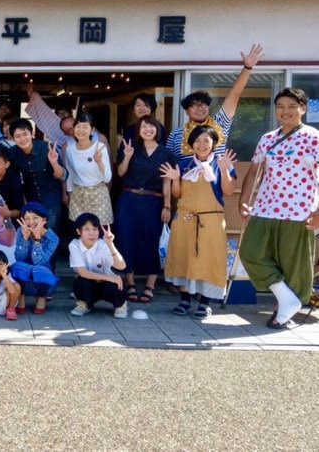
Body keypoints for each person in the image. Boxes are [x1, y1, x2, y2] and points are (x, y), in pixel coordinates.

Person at [238, 88, 319, 329]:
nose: (285, 111)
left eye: (292, 106)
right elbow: (254, 170)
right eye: (281, 106)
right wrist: (244, 200)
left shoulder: (313, 137)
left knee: (293, 263)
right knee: (250, 252)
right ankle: (287, 299)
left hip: (299, 211)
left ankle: (285, 311)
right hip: (265, 207)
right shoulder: (267, 138)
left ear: (303, 108)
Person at [160, 125, 237, 320]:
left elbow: (228, 191)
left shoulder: (221, 163)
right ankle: (184, 300)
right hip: (185, 219)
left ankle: (205, 303)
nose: (201, 145)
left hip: (211, 221)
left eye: (206, 141)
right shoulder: (184, 163)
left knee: (209, 260)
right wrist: (175, 179)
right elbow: (178, 194)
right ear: (191, 143)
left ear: (214, 143)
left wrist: (224, 170)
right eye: (197, 141)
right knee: (184, 258)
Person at [167, 44, 264, 163]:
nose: (200, 108)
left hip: (216, 174)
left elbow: (234, 95)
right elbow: (169, 162)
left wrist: (247, 68)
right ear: (187, 111)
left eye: (203, 104)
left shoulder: (220, 123)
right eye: (194, 105)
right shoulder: (176, 134)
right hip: (186, 175)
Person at [114, 116, 176, 304]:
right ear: (138, 131)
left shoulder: (166, 153)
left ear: (157, 129)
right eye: (143, 126)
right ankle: (130, 282)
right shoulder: (132, 148)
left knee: (152, 240)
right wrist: (127, 156)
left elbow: (167, 182)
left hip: (153, 201)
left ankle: (150, 284)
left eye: (151, 126)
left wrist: (167, 206)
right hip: (129, 199)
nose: (147, 129)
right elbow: (120, 172)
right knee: (126, 240)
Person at [9, 118, 66, 233]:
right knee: (33, 234)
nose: (22, 139)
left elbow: (62, 176)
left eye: (25, 134)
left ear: (32, 133)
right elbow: (15, 179)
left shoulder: (47, 148)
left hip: (51, 198)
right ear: (13, 138)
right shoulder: (13, 152)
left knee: (50, 233)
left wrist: (54, 163)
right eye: (18, 136)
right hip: (31, 200)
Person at [69, 213, 127, 319]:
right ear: (78, 231)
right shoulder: (74, 245)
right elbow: (83, 272)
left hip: (106, 285)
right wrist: (111, 278)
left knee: (115, 285)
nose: (91, 233)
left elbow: (122, 266)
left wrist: (110, 244)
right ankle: (85, 303)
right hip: (89, 282)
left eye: (94, 229)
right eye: (86, 229)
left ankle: (120, 304)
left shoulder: (103, 244)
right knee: (80, 283)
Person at [24, 83, 110, 150]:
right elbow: (46, 117)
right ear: (65, 133)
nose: (74, 129)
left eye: (74, 125)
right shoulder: (66, 145)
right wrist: (33, 98)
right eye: (69, 130)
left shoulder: (98, 137)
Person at [64, 113, 113, 226]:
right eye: (78, 126)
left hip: (98, 194)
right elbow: (70, 174)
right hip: (78, 195)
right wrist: (70, 194)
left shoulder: (99, 147)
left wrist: (99, 162)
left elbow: (107, 178)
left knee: (99, 229)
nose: (81, 130)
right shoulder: (70, 150)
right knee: (80, 229)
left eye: (85, 127)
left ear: (92, 130)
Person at [10, 202, 60, 314]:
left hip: (42, 275)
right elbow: (19, 258)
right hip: (24, 272)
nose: (31, 222)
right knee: (17, 266)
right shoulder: (21, 231)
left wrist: (37, 240)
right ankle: (20, 295)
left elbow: (39, 262)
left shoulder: (53, 238)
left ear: (44, 219)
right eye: (27, 218)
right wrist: (25, 239)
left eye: (35, 218)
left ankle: (42, 296)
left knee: (39, 269)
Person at [117, 94, 167, 160]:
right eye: (138, 105)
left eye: (145, 105)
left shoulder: (159, 128)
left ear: (152, 108)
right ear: (134, 110)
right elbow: (121, 155)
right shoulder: (130, 130)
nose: (142, 108)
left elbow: (162, 154)